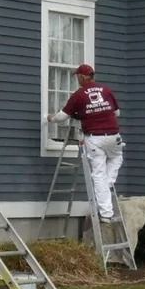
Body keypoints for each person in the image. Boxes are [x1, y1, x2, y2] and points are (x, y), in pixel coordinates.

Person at [46, 63, 123, 221]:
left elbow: (62, 117)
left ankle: (106, 214)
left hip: (95, 138)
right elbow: (117, 112)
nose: (77, 79)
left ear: (82, 77)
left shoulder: (79, 95)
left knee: (99, 175)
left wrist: (50, 118)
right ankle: (108, 186)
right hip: (114, 136)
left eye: (77, 77)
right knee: (116, 158)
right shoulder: (106, 90)